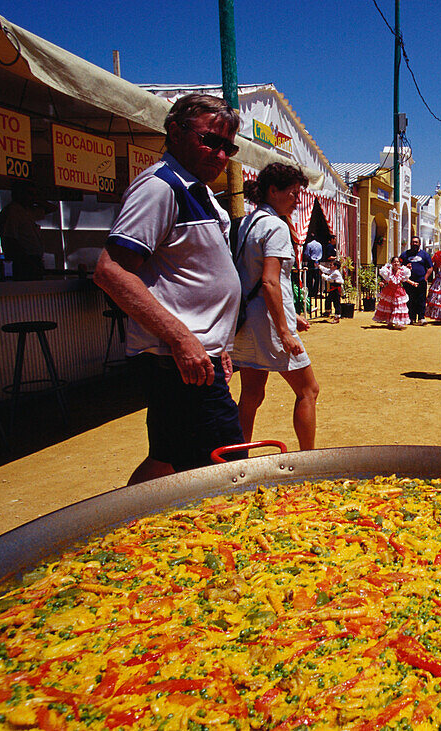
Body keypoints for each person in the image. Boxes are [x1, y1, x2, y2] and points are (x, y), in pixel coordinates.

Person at [93, 93, 244, 484]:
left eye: (229, 146)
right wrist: (184, 340)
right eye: (210, 140)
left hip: (194, 357)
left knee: (166, 460)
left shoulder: (199, 191)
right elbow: (111, 271)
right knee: (223, 468)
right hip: (178, 361)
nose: (221, 154)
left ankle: (125, 525)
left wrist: (218, 346)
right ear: (175, 132)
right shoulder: (160, 187)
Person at [231, 162, 320, 451]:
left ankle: (239, 457)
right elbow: (270, 282)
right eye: (293, 193)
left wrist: (291, 319)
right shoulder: (276, 226)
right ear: (273, 191)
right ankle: (309, 458)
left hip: (248, 320)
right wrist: (284, 330)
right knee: (308, 390)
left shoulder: (248, 222)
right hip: (269, 322)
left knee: (251, 395)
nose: (297, 199)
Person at [0, 180, 48, 281]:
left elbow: (51, 208)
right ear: (20, 193)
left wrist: (36, 200)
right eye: (29, 194)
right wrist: (24, 260)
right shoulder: (13, 212)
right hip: (25, 262)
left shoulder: (26, 211)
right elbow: (10, 238)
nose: (31, 197)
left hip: (32, 260)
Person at [400, 236, 433, 324]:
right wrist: (405, 267)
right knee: (410, 299)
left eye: (416, 242)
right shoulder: (405, 255)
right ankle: (411, 317)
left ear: (419, 244)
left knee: (421, 299)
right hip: (409, 282)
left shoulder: (425, 255)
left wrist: (425, 278)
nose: (414, 244)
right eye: (413, 242)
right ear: (410, 243)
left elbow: (430, 268)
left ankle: (421, 318)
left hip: (421, 281)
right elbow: (399, 266)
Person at [373, 256, 411, 329]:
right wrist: (382, 283)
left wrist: (413, 283)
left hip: (398, 291)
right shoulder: (388, 271)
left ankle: (398, 322)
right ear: (391, 263)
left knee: (398, 307)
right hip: (389, 291)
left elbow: (406, 279)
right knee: (389, 306)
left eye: (397, 262)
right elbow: (386, 280)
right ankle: (390, 321)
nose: (396, 263)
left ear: (400, 263)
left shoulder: (402, 271)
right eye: (394, 262)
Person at [320, 257, 343, 323]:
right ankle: (327, 312)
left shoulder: (336, 272)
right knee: (328, 299)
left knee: (336, 303)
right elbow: (326, 270)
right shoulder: (333, 271)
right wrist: (319, 266)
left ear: (335, 266)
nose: (330, 266)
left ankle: (337, 317)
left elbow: (328, 278)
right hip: (333, 287)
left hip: (336, 287)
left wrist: (322, 275)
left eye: (331, 265)